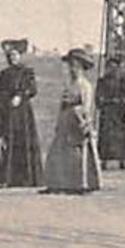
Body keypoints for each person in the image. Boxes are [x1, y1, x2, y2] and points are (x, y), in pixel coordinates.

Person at [43, 47, 101, 194]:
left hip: (76, 121)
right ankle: (58, 184)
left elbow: (86, 106)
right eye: (70, 66)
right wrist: (59, 120)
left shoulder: (85, 85)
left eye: (75, 66)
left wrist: (83, 122)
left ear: (81, 67)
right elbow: (62, 105)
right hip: (65, 121)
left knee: (77, 155)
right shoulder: (70, 85)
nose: (72, 69)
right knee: (58, 152)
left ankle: (80, 184)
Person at [0, 39, 43, 187]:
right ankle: (10, 178)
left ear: (19, 56)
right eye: (9, 55)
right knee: (10, 141)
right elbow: (1, 91)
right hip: (9, 111)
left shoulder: (27, 71)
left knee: (24, 141)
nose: (12, 58)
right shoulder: (4, 73)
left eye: (14, 55)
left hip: (23, 113)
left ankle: (28, 178)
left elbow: (33, 89)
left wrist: (20, 96)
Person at [96, 54, 125, 171]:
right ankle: (103, 161)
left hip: (119, 113)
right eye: (110, 66)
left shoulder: (122, 81)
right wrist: (103, 102)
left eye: (115, 66)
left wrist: (119, 101)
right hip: (107, 113)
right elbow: (98, 98)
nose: (112, 69)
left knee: (121, 138)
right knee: (105, 137)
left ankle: (123, 160)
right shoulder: (101, 81)